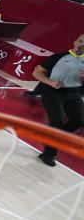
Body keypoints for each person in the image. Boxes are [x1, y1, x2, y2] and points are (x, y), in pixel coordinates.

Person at [32, 34, 84, 166]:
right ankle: (48, 154)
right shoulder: (59, 56)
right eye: (80, 41)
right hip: (53, 91)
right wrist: (50, 82)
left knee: (80, 120)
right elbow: (37, 73)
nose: (81, 44)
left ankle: (50, 137)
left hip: (74, 92)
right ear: (75, 41)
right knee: (58, 122)